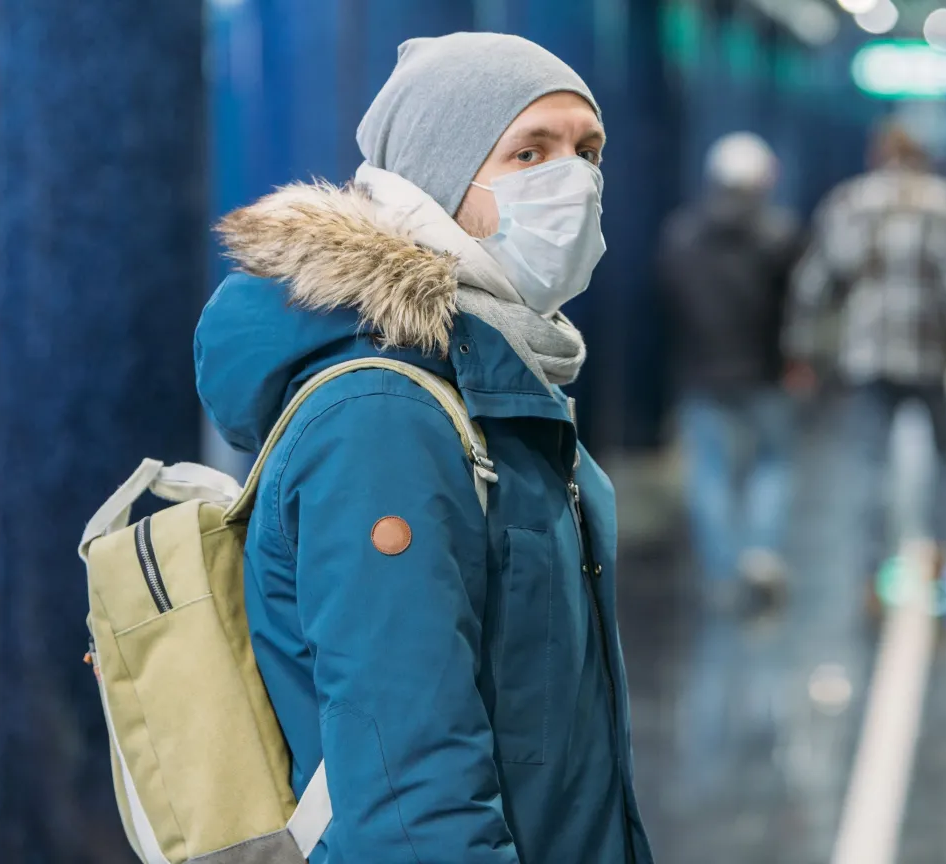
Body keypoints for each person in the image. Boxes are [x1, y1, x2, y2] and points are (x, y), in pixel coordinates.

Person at [194, 33, 653, 864]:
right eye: (530, 150)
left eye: (589, 151)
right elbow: (410, 798)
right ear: (439, 180)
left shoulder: (501, 377)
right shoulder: (385, 417)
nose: (576, 180)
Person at [783, 124, 946, 610]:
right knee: (944, 463)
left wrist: (799, 349)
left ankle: (871, 570)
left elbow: (814, 282)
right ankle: (939, 554)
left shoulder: (849, 203)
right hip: (930, 357)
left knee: (869, 467)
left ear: (875, 155)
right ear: (925, 156)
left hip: (867, 359)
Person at [657, 132, 805, 608]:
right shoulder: (781, 236)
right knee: (772, 463)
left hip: (701, 371)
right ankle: (760, 552)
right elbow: (796, 308)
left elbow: (668, 304)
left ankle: (723, 572)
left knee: (710, 471)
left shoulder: (680, 235)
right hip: (765, 371)